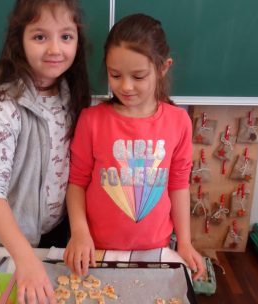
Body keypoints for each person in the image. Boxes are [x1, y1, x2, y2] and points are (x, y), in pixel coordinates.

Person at [63, 13, 205, 280]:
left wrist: (184, 242)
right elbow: (76, 183)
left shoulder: (179, 122)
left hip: (155, 250)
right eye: (115, 75)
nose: (125, 86)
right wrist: (80, 232)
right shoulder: (91, 120)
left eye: (138, 76)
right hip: (96, 250)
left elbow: (178, 184)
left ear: (163, 68)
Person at [0, 0, 91, 303]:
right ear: (19, 42)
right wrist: (25, 259)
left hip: (54, 233)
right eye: (40, 36)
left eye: (66, 36)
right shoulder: (5, 106)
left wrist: (77, 229)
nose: (55, 48)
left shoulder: (71, 96)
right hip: (9, 243)